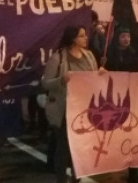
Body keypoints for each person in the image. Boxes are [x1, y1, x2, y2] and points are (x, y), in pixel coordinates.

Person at [42, 26, 100, 183]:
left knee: (80, 148)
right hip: (64, 110)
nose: (86, 38)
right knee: (63, 148)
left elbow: (94, 79)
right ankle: (61, 179)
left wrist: (100, 74)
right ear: (73, 39)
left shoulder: (88, 56)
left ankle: (76, 179)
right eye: (82, 36)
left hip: (83, 109)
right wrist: (62, 80)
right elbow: (45, 83)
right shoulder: (58, 58)